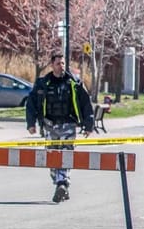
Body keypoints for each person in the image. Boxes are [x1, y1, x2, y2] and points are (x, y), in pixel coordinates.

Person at [25, 53, 95, 204]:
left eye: (63, 63)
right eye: (58, 64)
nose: (61, 66)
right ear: (52, 65)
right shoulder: (43, 83)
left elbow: (85, 103)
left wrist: (89, 124)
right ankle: (60, 184)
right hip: (50, 126)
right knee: (52, 157)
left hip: (68, 125)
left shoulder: (74, 83)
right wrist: (31, 123)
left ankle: (62, 183)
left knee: (66, 155)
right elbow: (31, 103)